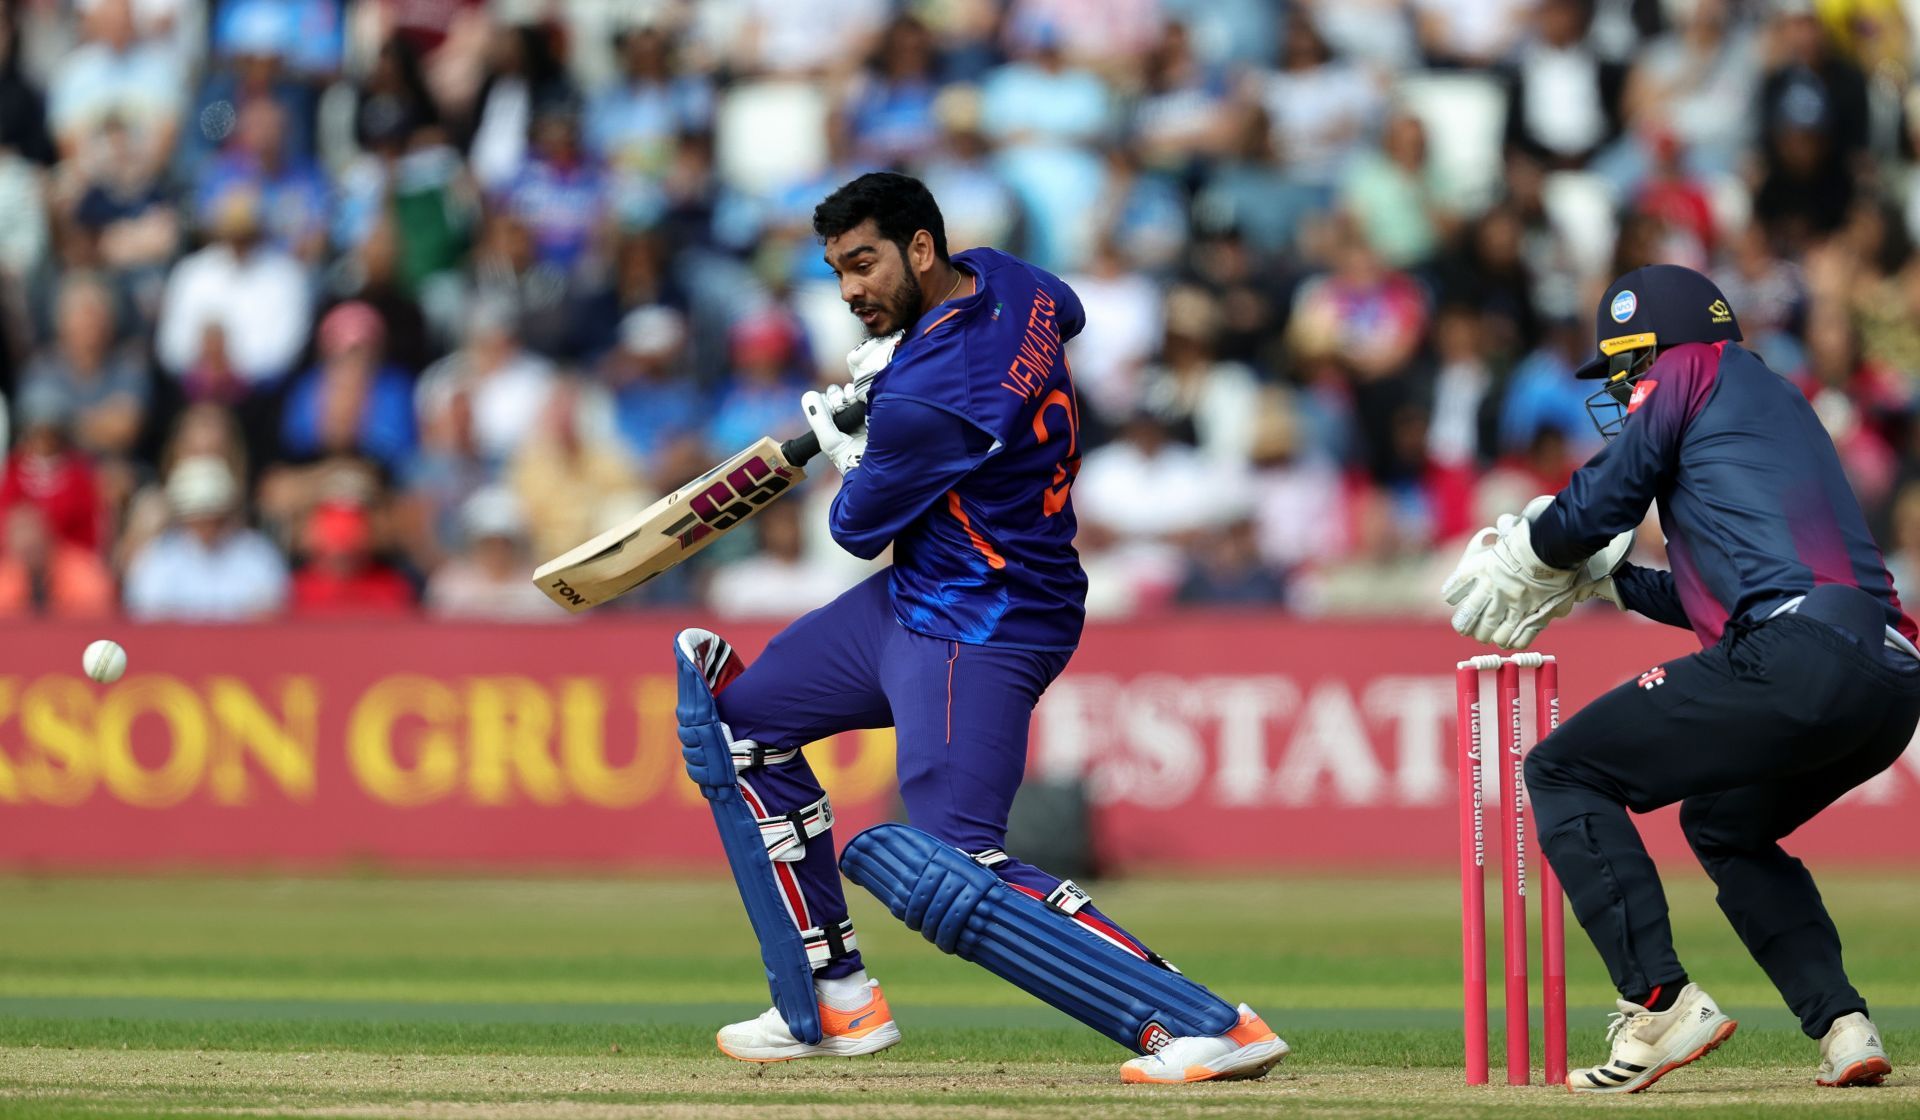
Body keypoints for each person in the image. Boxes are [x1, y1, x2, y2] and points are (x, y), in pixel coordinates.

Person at [674, 172, 1285, 1083]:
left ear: (922, 248)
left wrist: (865, 435)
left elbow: (852, 528)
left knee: (955, 861)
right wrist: (906, 364)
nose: (850, 291)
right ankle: (833, 998)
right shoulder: (1009, 278)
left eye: (866, 264)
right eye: (838, 270)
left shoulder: (929, 399)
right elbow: (1066, 312)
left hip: (981, 620)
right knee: (741, 729)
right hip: (921, 591)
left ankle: (1205, 1023)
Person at [1442, 264, 1919, 1092]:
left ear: (1655, 350)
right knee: (1725, 824)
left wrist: (1534, 549)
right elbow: (1738, 600)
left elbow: (1603, 500)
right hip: (1886, 678)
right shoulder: (1770, 403)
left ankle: (1658, 1001)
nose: (1624, 388)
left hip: (1799, 651)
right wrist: (1608, 579)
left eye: (1627, 367)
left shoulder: (1694, 366)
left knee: (1562, 769)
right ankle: (1844, 1026)